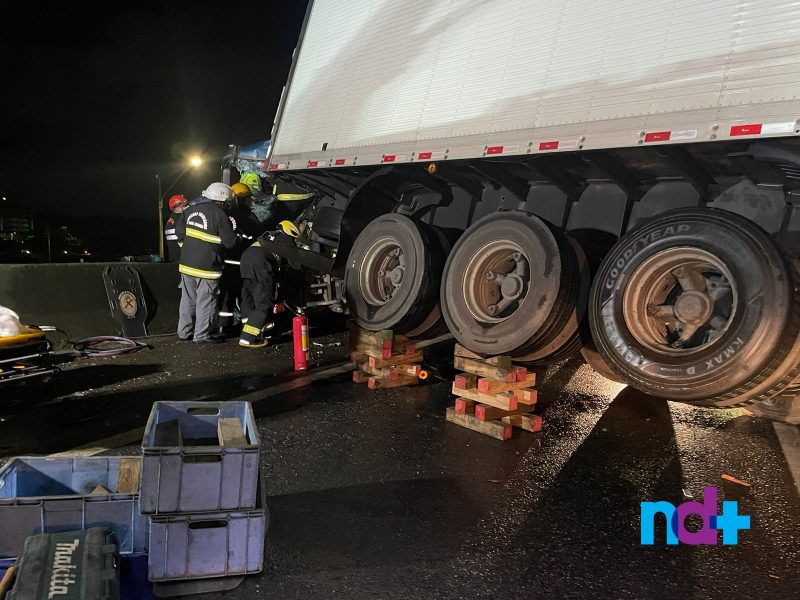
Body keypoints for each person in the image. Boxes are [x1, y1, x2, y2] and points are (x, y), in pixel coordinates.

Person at [175, 182, 237, 344]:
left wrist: (189, 249)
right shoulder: (220, 215)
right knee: (206, 301)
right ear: (222, 201)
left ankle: (184, 332)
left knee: (187, 299)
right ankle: (201, 335)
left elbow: (179, 232)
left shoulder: (190, 209)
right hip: (207, 267)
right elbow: (230, 243)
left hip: (186, 264)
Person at [238, 236, 278, 349]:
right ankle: (247, 338)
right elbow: (294, 264)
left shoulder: (268, 237)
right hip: (260, 265)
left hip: (246, 260)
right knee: (264, 304)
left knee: (249, 301)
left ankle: (258, 333)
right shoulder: (286, 240)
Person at [164, 194, 189, 262]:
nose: (186, 207)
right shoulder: (180, 219)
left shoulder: (172, 219)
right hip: (182, 257)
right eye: (185, 205)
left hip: (175, 257)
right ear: (176, 206)